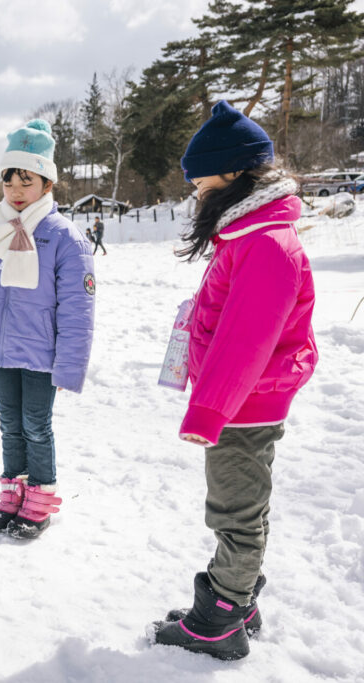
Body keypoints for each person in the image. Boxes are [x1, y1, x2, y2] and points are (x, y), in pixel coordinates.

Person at [151, 101, 317, 661]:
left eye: (200, 182)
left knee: (235, 511)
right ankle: (239, 599)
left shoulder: (265, 244)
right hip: (246, 400)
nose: (196, 193)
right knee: (244, 505)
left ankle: (220, 618)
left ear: (233, 174)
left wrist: (208, 412)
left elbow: (244, 342)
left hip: (245, 404)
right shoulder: (249, 235)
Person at [0, 119, 95, 540]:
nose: (14, 191)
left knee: (36, 423)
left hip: (42, 353)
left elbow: (78, 310)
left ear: (47, 184)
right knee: (9, 423)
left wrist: (69, 365)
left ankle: (41, 496)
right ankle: (13, 490)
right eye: (9, 181)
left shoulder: (65, 238)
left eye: (25, 182)